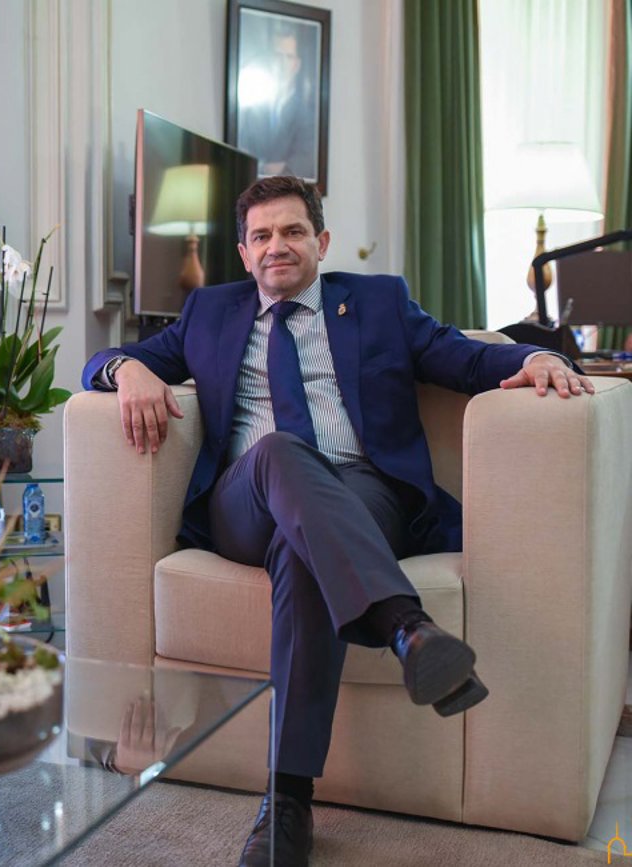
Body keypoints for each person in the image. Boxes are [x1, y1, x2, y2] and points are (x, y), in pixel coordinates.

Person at [81, 175, 592, 867]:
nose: (277, 246)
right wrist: (126, 368)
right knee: (277, 452)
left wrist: (537, 354)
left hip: (363, 494)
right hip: (247, 502)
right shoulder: (210, 312)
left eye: (293, 231)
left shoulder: (378, 303)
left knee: (303, 557)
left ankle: (287, 804)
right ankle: (404, 628)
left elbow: (466, 356)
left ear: (321, 242)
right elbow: (101, 362)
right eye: (262, 235)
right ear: (244, 253)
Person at [238, 28, 318, 180]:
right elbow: (242, 148)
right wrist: (264, 167)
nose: (282, 62)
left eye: (288, 57)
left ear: (296, 65)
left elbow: (305, 161)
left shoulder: (307, 115)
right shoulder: (251, 108)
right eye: (277, 55)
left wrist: (278, 169)